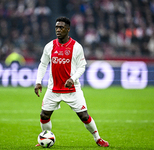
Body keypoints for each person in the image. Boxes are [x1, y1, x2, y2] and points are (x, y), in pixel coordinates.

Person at [34, 17, 109, 147]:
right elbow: (43, 64)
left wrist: (72, 79)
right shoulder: (49, 46)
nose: (58, 30)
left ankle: (98, 138)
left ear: (68, 29)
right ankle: (45, 138)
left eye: (61, 27)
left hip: (72, 89)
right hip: (53, 89)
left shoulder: (76, 47)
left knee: (84, 116)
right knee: (44, 114)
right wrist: (38, 81)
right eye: (57, 27)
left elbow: (82, 67)